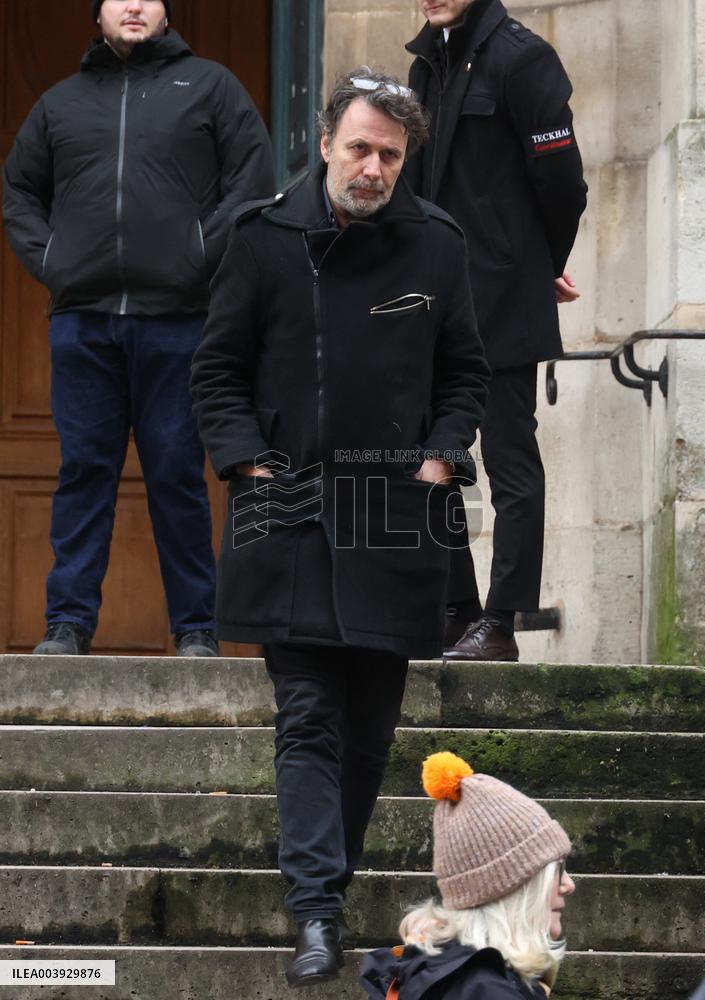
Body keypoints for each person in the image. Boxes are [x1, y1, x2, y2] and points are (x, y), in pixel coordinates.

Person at [190, 69, 490, 987]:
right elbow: (217, 371)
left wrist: (438, 459)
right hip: (286, 503)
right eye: (358, 148)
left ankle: (329, 888)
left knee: (367, 728)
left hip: (394, 508)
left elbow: (464, 376)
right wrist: (246, 460)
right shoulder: (261, 236)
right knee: (309, 716)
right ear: (324, 143)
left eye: (390, 156)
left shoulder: (436, 245)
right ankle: (315, 914)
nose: (372, 168)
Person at [2, 0, 274, 657]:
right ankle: (67, 625)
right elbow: (19, 193)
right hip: (83, 324)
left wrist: (196, 254)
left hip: (179, 324)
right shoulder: (60, 103)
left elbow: (253, 181)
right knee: (85, 473)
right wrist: (52, 261)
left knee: (177, 474)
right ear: (97, 14)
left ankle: (197, 631)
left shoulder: (209, 86)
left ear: (164, 12)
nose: (133, 6)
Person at [405, 0, 588, 661]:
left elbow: (563, 183)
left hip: (503, 298)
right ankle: (456, 611)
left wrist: (543, 266)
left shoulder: (522, 58)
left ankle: (502, 622)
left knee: (508, 462)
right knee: (429, 457)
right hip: (429, 300)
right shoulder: (425, 63)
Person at [360, 751, 576, 998]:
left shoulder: (435, 975)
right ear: (509, 886)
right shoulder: (488, 992)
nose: (569, 885)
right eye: (557, 869)